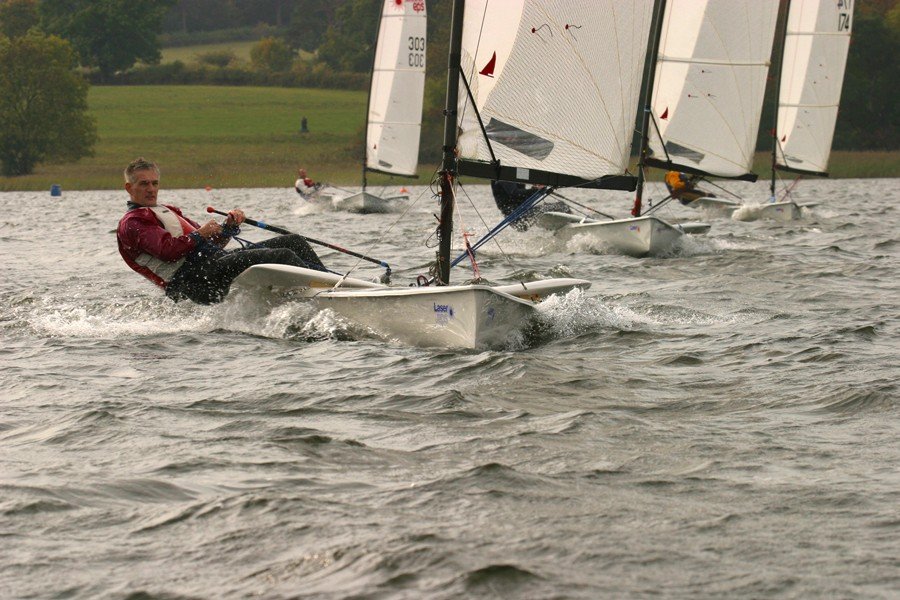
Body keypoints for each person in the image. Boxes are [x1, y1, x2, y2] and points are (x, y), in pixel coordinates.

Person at [117, 157, 327, 305]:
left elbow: (208, 245)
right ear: (129, 187)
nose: (151, 189)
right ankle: (323, 298)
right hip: (192, 283)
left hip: (212, 266)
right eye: (144, 184)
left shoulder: (164, 211)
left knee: (292, 241)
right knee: (282, 255)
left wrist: (228, 228)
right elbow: (168, 251)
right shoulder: (133, 223)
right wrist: (200, 233)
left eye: (154, 183)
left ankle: (331, 288)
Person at [490, 180, 572, 231]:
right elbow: (515, 194)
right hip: (518, 219)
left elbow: (529, 179)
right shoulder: (503, 175)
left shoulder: (516, 172)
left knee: (561, 205)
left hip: (524, 213)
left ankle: (559, 229)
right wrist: (535, 190)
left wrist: (539, 185)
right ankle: (573, 224)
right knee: (562, 207)